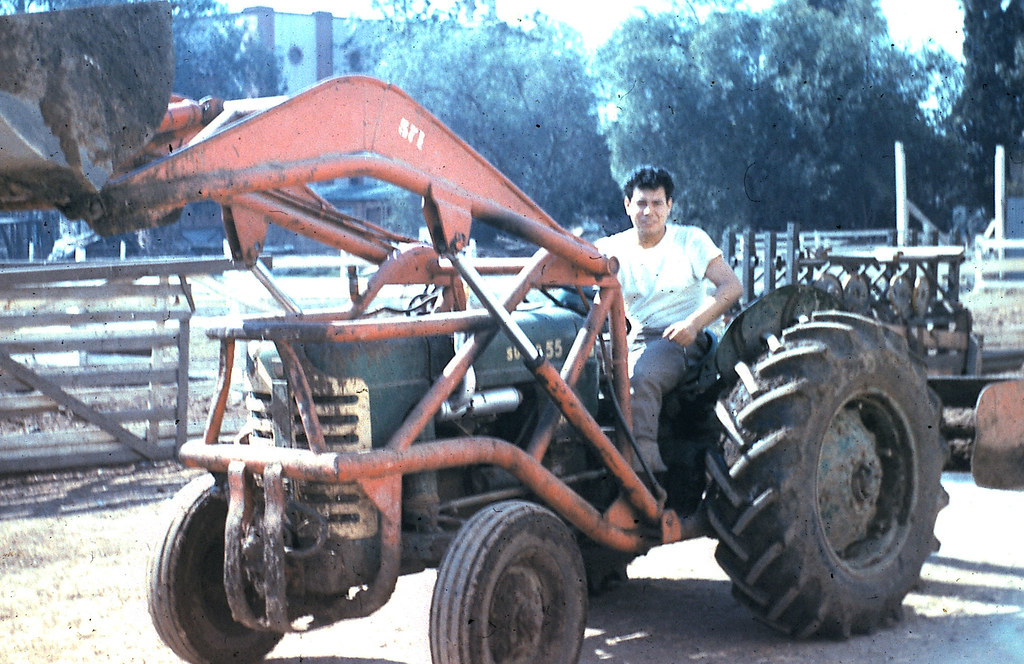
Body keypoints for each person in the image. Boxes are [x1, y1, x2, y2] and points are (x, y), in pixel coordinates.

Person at [595, 165, 742, 480]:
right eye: (641, 203)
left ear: (670, 206)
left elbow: (731, 286)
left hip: (682, 338)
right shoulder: (611, 248)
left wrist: (693, 323)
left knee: (639, 378)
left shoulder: (690, 240)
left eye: (657, 203)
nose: (649, 211)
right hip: (632, 338)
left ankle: (646, 474)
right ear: (627, 205)